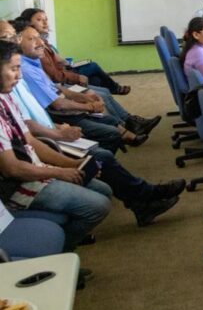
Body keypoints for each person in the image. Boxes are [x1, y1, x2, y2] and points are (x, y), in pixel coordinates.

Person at [0, 41, 181, 249]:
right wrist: (61, 171)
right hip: (18, 185)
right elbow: (12, 168)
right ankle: (56, 254)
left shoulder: (6, 96)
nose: (19, 75)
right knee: (99, 201)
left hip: (39, 156)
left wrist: (72, 164)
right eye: (14, 69)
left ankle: (140, 202)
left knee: (103, 187)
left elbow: (29, 141)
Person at [13, 22, 153, 151]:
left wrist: (85, 98)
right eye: (31, 39)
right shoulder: (26, 68)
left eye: (39, 37)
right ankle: (123, 132)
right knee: (108, 129)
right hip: (59, 115)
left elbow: (56, 87)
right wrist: (89, 106)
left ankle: (129, 123)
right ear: (17, 42)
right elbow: (57, 100)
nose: (40, 42)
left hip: (62, 100)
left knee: (102, 97)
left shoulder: (34, 59)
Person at [19, 8, 132, 95]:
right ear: (28, 23)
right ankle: (115, 89)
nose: (45, 23)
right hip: (61, 80)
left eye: (46, 19)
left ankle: (111, 94)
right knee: (93, 67)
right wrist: (76, 77)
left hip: (65, 71)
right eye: (39, 20)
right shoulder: (36, 49)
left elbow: (59, 62)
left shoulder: (44, 41)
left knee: (96, 80)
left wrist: (64, 62)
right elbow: (55, 76)